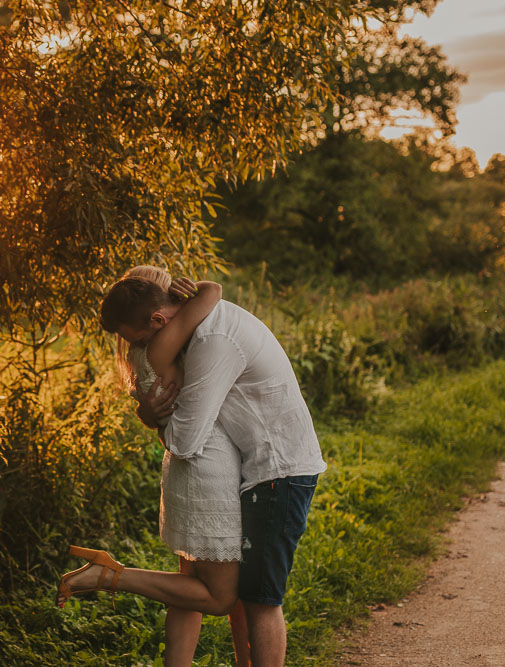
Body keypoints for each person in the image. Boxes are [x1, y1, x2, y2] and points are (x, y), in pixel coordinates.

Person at [63, 274, 327, 667]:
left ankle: (111, 576)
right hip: (250, 469)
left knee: (260, 601)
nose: (138, 347)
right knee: (222, 594)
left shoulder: (211, 342)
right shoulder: (196, 329)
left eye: (136, 338)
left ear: (157, 320)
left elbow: (185, 441)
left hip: (278, 472)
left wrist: (151, 417)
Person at [58, 267, 250, 667]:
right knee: (222, 597)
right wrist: (196, 293)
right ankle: (109, 575)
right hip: (207, 469)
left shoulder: (140, 354)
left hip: (180, 471)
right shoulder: (168, 342)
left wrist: (148, 415)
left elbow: (164, 420)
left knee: (185, 589)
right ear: (160, 312)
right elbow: (212, 292)